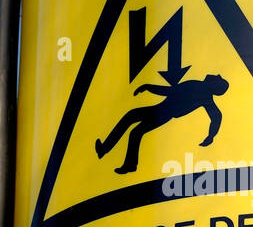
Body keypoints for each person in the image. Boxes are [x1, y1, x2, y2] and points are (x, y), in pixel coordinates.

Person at [96, 73, 230, 174]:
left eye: (218, 78)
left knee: (133, 125)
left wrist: (148, 87)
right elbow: (217, 116)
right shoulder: (205, 96)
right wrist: (211, 136)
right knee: (135, 129)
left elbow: (170, 91)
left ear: (215, 85)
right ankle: (121, 159)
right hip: (162, 110)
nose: (215, 75)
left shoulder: (198, 88)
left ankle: (113, 155)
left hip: (163, 112)